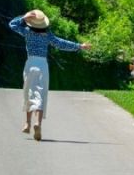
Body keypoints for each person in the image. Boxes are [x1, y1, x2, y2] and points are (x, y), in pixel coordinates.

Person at [8, 8, 91, 141]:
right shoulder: (47, 35)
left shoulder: (27, 32)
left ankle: (27, 124)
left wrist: (24, 17)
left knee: (29, 92)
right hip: (42, 65)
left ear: (31, 23)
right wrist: (79, 46)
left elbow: (12, 25)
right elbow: (61, 43)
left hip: (30, 64)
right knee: (41, 94)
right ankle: (38, 123)